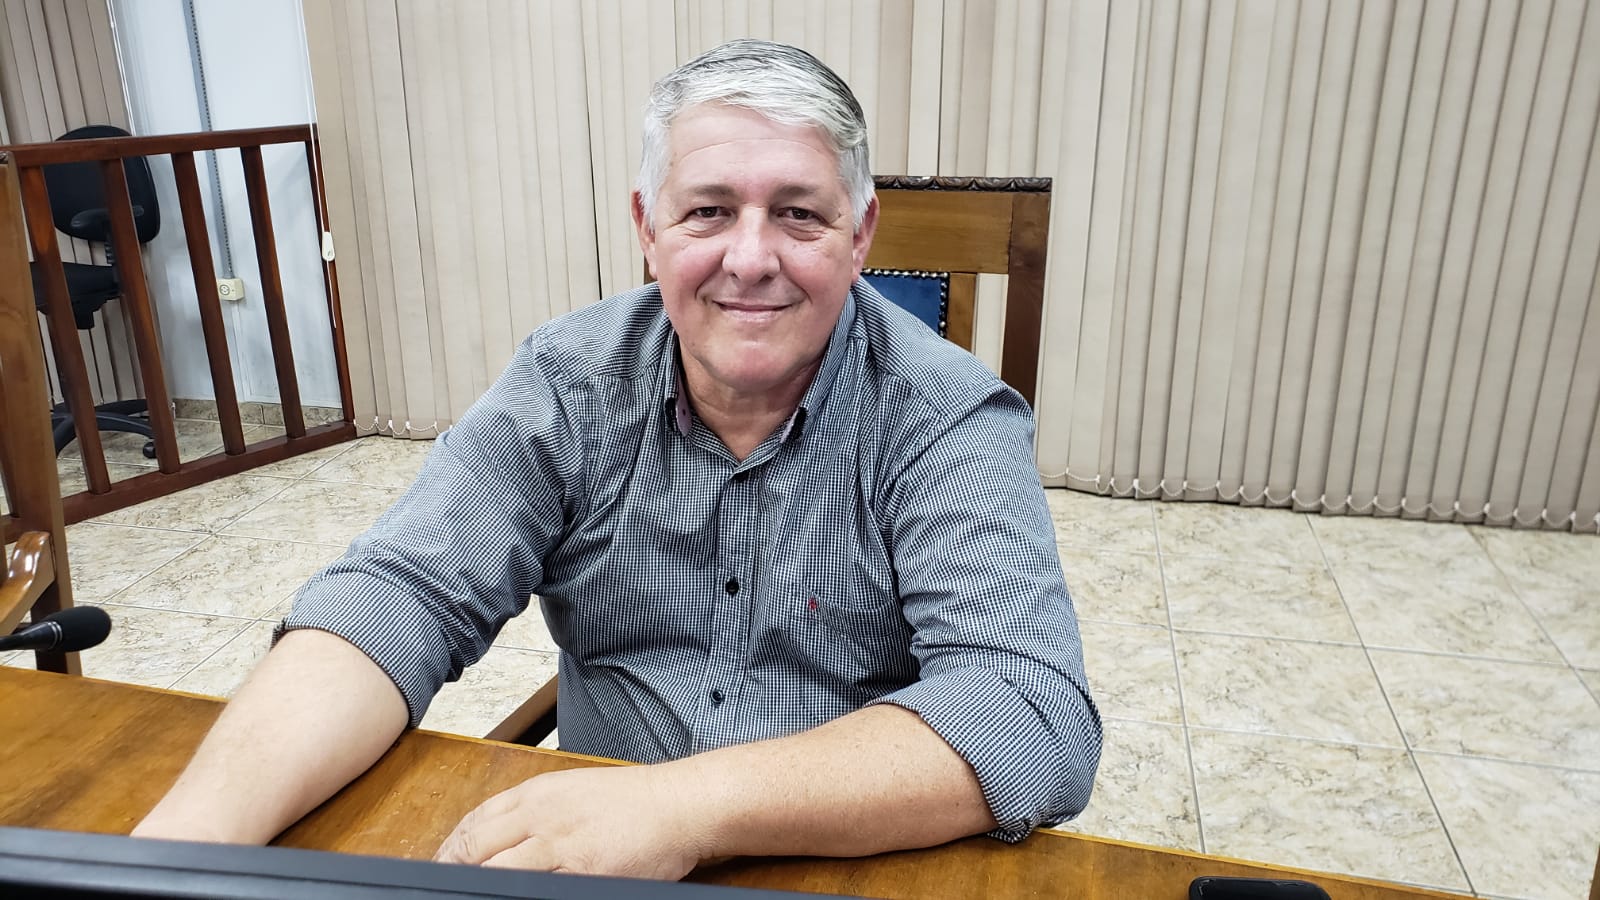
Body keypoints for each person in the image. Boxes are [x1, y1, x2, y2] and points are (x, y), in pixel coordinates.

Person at [133, 38, 1100, 879]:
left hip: (848, 865)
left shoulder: (946, 417)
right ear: (647, 229)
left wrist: (682, 810)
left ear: (861, 234)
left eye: (799, 213)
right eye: (708, 211)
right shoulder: (570, 381)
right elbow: (399, 597)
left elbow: (1028, 714)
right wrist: (179, 847)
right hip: (593, 859)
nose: (750, 258)